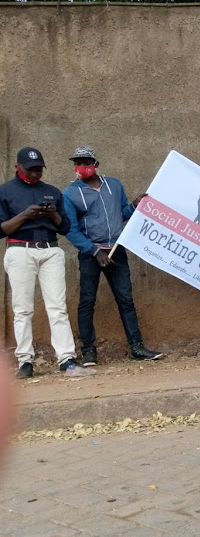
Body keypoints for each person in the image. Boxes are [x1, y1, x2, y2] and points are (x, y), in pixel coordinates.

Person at [63, 146, 162, 365]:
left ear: (96, 165)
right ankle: (89, 351)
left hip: (116, 250)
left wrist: (135, 206)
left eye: (86, 162)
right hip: (91, 254)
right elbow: (71, 229)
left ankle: (136, 347)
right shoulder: (70, 193)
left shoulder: (114, 185)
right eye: (78, 162)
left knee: (126, 299)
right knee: (87, 302)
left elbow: (122, 214)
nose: (82, 167)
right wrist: (94, 251)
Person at [0, 148, 79, 378]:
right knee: (22, 309)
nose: (36, 174)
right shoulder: (5, 191)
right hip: (20, 249)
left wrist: (53, 214)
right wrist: (25, 215)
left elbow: (64, 228)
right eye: (31, 169)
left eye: (39, 169)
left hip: (50, 249)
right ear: (18, 166)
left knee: (57, 308)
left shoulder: (52, 192)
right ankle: (25, 361)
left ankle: (66, 359)